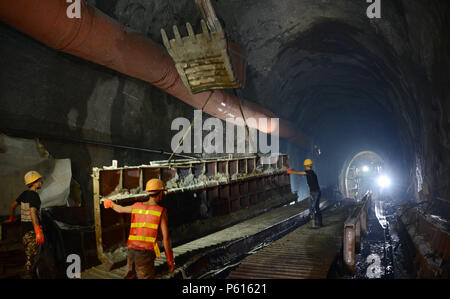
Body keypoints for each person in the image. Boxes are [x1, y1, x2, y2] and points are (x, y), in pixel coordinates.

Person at [103, 178, 175, 279]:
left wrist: (110, 203)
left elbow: (120, 209)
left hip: (131, 251)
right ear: (160, 194)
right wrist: (170, 261)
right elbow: (166, 238)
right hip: (145, 254)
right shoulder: (161, 211)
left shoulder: (137, 206)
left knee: (130, 276)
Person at [3, 170, 45, 278]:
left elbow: (12, 206)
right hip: (32, 234)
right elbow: (32, 212)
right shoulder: (34, 195)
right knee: (30, 264)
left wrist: (11, 218)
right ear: (34, 182)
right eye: (39, 180)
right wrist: (38, 231)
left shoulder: (24, 194)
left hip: (25, 234)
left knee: (30, 260)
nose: (41, 181)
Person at [287, 159, 323, 228]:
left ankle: (313, 225)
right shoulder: (312, 172)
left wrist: (291, 172)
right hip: (317, 192)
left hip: (314, 193)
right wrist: (293, 171)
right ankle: (319, 223)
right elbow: (303, 173)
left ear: (306, 166)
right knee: (316, 208)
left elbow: (301, 173)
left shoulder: (309, 172)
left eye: (305, 166)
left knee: (311, 208)